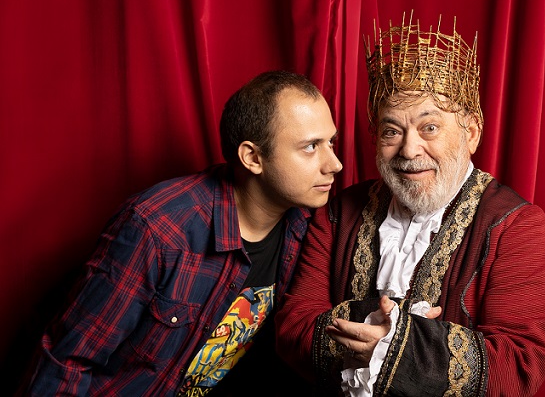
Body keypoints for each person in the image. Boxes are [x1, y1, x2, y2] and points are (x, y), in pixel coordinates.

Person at [274, 14, 545, 396]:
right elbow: (293, 325)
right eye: (392, 131)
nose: (409, 150)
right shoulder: (338, 211)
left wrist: (394, 343)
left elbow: (517, 364)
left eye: (429, 128)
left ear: (471, 133)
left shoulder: (517, 226)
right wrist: (389, 329)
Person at [17, 70, 343, 396]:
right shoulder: (158, 228)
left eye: (331, 142)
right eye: (310, 146)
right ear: (253, 157)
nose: (335, 164)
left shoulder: (308, 229)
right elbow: (67, 362)